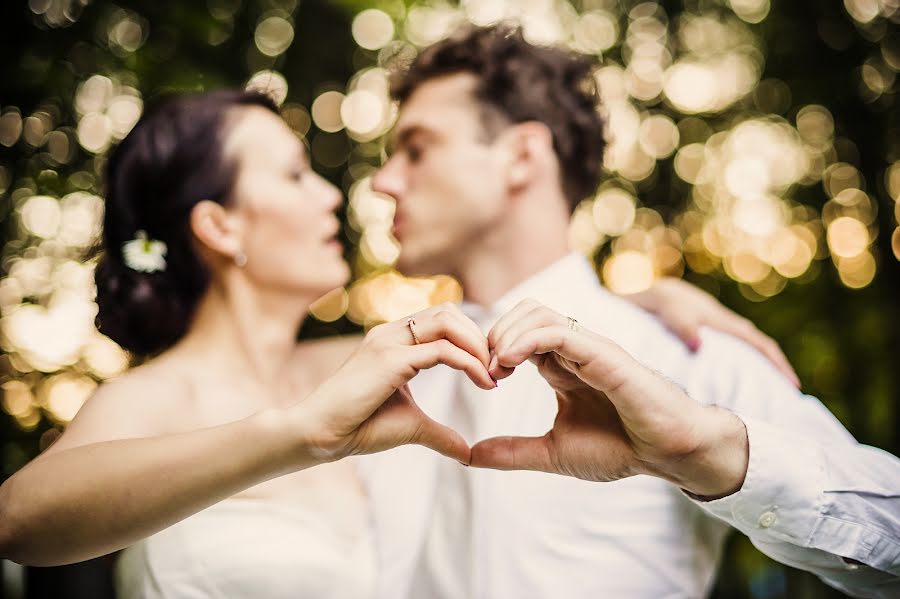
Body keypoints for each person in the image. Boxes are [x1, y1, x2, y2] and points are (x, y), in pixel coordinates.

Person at [0, 88, 780, 596]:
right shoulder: (154, 395)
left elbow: (511, 316)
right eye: (296, 174)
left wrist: (643, 300)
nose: (330, 194)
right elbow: (20, 520)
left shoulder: (354, 363)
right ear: (220, 226)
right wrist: (297, 434)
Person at [366, 24, 900, 598]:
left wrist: (712, 454)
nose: (383, 180)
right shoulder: (379, 374)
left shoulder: (685, 352)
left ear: (522, 155)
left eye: (417, 149)